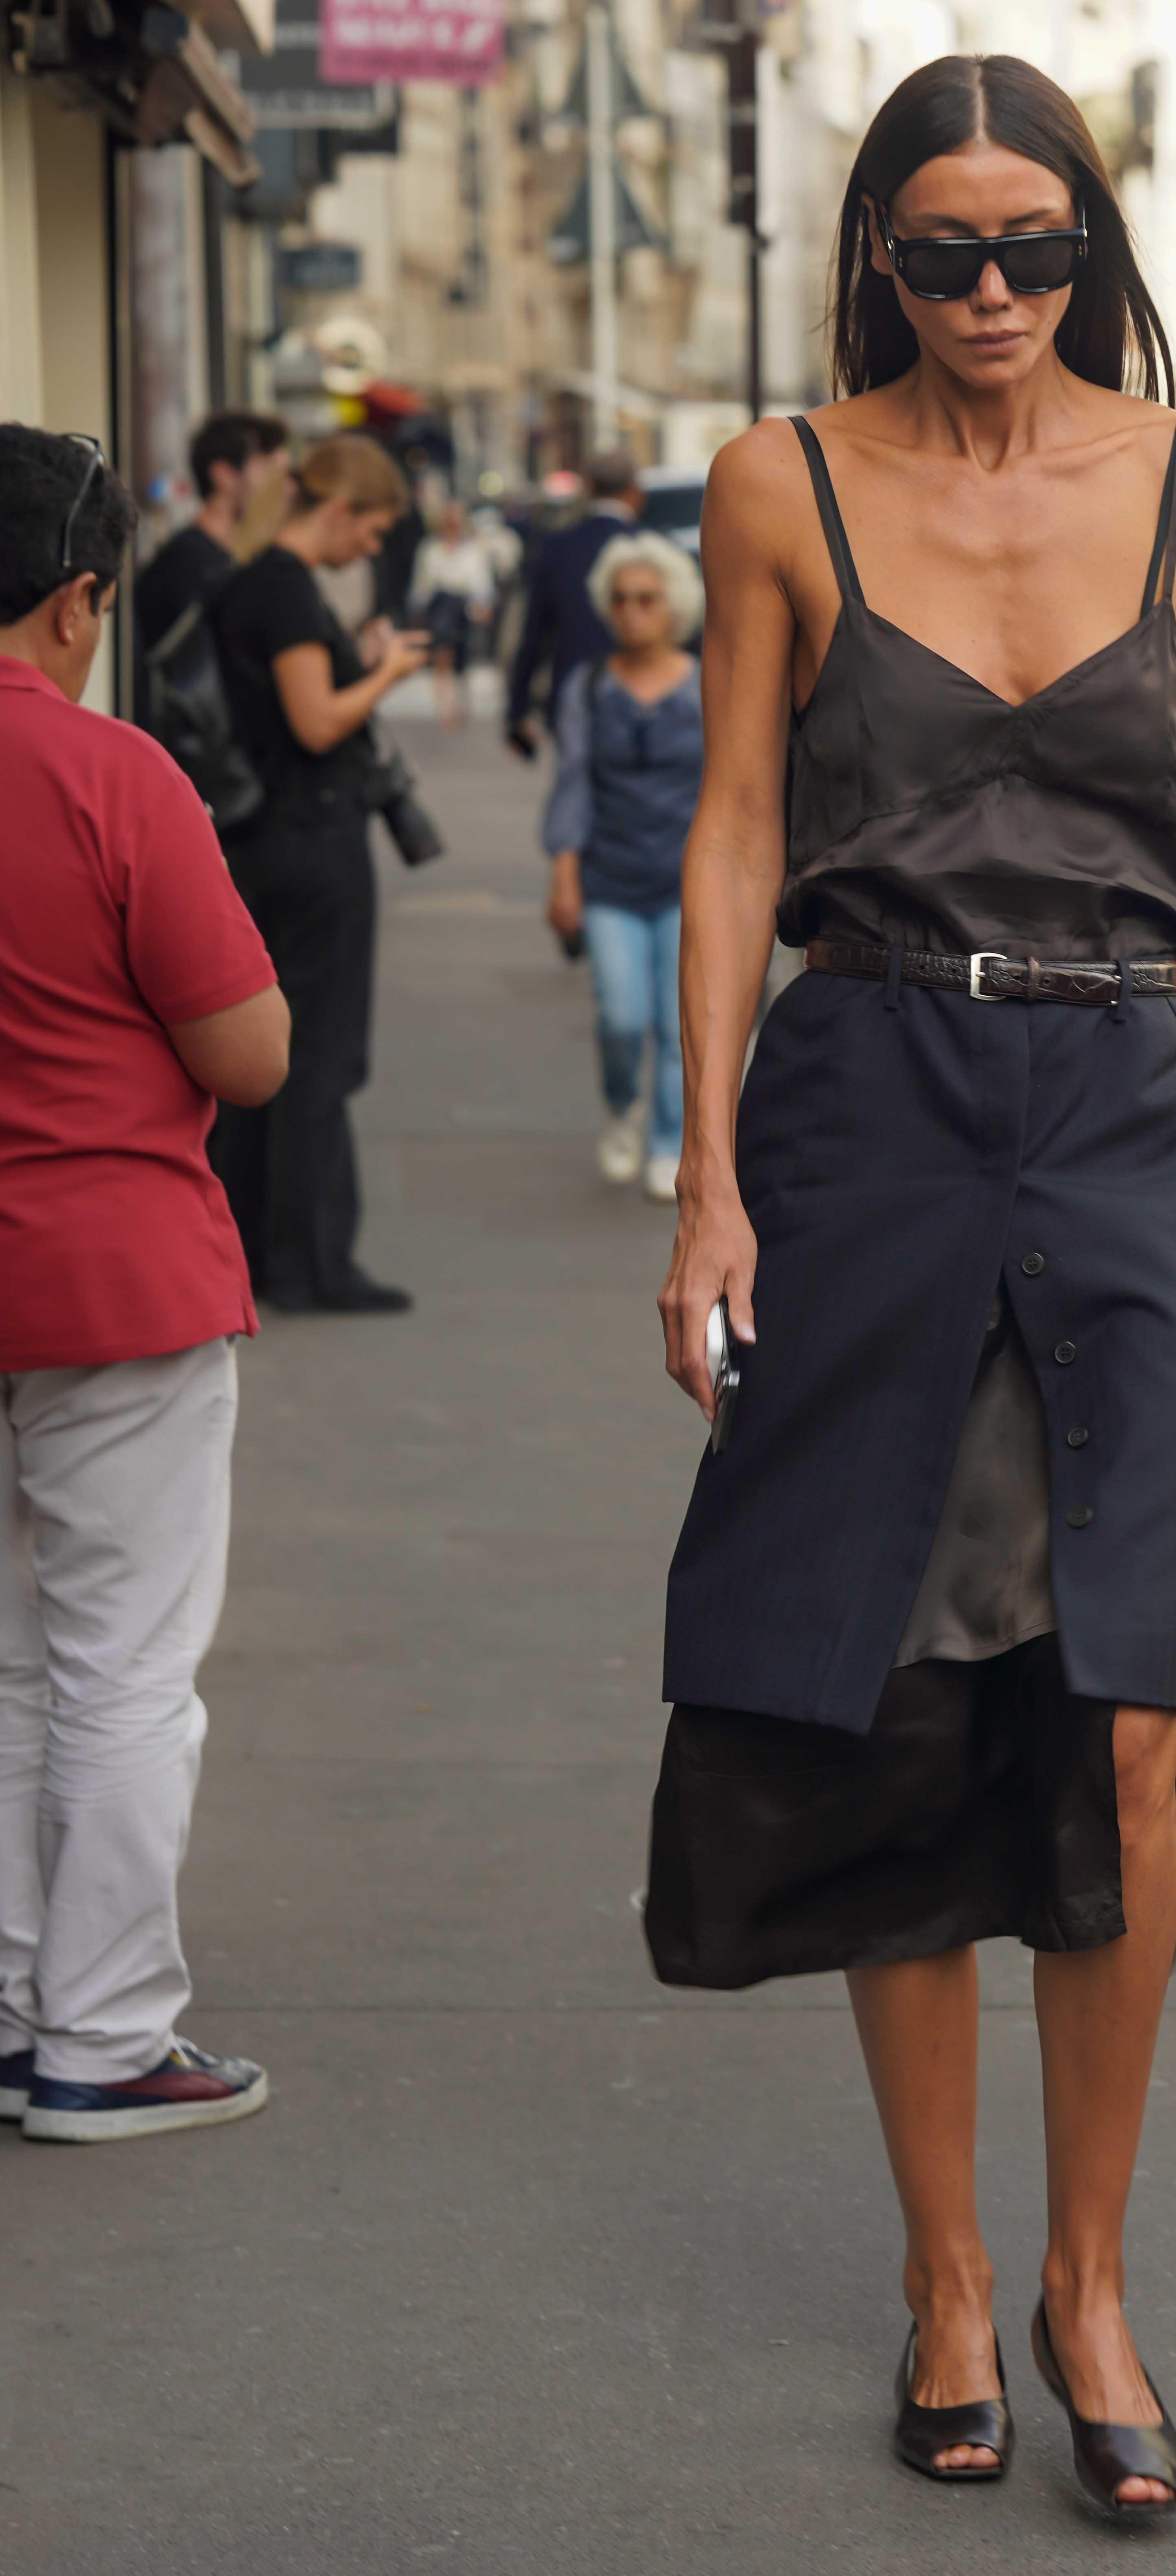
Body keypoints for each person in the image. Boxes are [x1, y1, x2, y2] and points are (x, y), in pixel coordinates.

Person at [642, 54, 1176, 2518]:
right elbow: (727, 836)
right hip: (869, 1103)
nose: (994, 293)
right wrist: (704, 1177)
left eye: (1035, 247)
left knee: (1124, 1725)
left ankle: (1085, 2277)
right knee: (903, 1700)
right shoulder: (780, 480)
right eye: (943, 252)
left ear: (1094, 245)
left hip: (1124, 1105)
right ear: (877, 259)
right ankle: (939, 2267)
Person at [0, 425, 289, 2142]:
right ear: (79, 597)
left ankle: (15, 1995)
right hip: (111, 1270)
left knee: (10, 1666)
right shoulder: (113, 776)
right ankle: (102, 2037)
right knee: (119, 1666)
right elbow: (247, 1052)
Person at [209, 435, 429, 1314]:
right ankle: (312, 1261)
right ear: (337, 510)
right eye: (371, 531)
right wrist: (387, 672)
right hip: (315, 838)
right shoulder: (288, 589)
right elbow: (317, 721)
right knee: (319, 1053)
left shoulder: (249, 580)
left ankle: (266, 1249)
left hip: (267, 840)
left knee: (272, 1050)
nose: (370, 549)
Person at [542, 532, 705, 1198]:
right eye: (620, 600)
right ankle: (620, 1107)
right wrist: (563, 874)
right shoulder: (586, 687)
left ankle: (669, 1139)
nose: (632, 612)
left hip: (686, 881)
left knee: (678, 1025)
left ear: (676, 607)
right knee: (619, 1017)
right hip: (610, 876)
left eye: (646, 599)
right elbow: (571, 783)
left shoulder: (707, 685)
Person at [504, 451, 642, 756]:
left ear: (589, 488)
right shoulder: (649, 548)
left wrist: (517, 710)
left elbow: (534, 635)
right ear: (635, 491)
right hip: (642, 695)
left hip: (572, 698)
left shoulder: (557, 548)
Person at [132, 409, 289, 655]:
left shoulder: (227, 558)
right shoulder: (190, 564)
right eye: (268, 471)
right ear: (224, 476)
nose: (283, 488)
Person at [409, 497, 497, 729]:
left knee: (462, 659)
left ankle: (462, 702)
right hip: (441, 605)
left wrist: (483, 605)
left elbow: (481, 581)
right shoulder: (431, 549)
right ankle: (445, 707)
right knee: (442, 657)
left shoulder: (473, 550)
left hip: (463, 606)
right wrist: (419, 610)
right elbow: (422, 583)